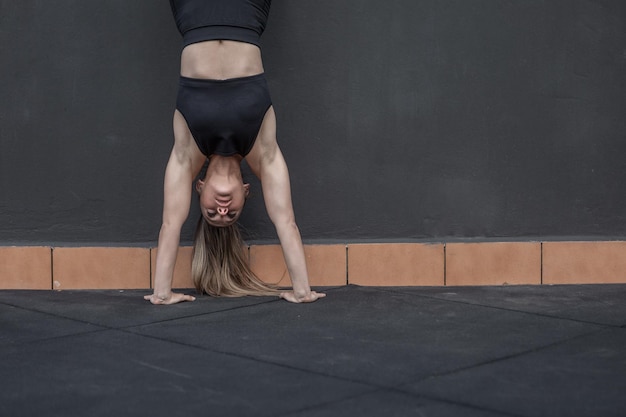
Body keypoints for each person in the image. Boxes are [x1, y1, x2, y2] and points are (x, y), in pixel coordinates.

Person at [144, 0, 325, 305]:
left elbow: (170, 223)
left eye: (211, 213)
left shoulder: (186, 153)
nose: (223, 209)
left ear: (198, 189)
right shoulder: (263, 152)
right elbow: (286, 221)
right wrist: (302, 291)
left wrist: (162, 293)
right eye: (232, 215)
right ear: (246, 191)